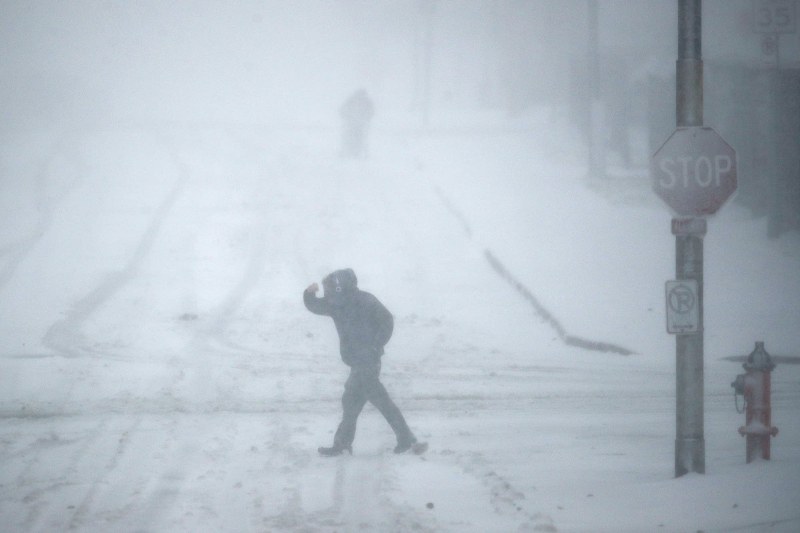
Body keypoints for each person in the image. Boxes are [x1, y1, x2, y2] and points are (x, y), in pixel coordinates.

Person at [304, 268, 425, 456]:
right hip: (358, 362)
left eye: (329, 289)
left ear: (340, 288)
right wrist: (309, 294)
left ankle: (403, 439)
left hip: (368, 361)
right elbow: (315, 306)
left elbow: (387, 320)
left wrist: (376, 345)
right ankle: (347, 443)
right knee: (354, 403)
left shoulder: (365, 301)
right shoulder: (337, 303)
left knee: (371, 402)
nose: (327, 294)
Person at [339, 89, 374, 158]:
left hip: (355, 122)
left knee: (353, 136)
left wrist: (345, 116)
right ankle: (353, 151)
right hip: (356, 122)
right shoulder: (366, 101)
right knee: (356, 136)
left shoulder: (353, 100)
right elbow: (371, 111)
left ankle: (352, 151)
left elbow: (342, 109)